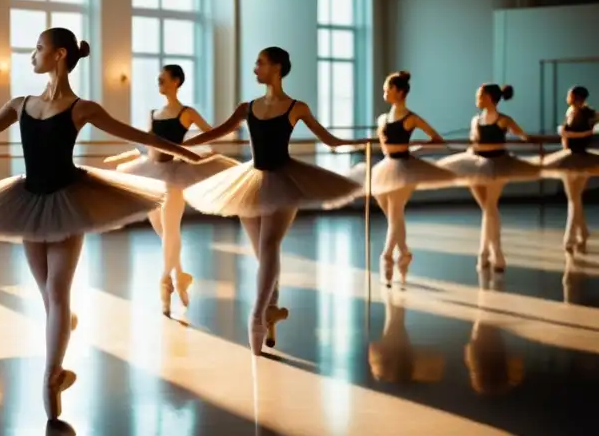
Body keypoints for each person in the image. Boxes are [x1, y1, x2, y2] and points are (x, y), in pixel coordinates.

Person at [0, 28, 203, 419]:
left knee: (56, 291)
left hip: (69, 200)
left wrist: (184, 153)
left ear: (58, 55)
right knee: (50, 296)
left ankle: (51, 375)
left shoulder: (82, 108)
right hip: (27, 202)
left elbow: (138, 134)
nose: (31, 55)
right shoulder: (20, 104)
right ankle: (63, 333)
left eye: (37, 48)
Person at [182, 47, 368, 356]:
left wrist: (362, 142)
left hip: (284, 181)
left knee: (269, 247)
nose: (255, 68)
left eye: (261, 63)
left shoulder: (296, 107)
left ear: (277, 68)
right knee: (262, 254)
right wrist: (182, 143)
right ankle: (272, 310)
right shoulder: (247, 107)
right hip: (250, 182)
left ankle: (256, 316)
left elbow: (330, 141)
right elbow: (217, 133)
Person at [114, 64, 236, 315]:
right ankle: (180, 276)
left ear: (176, 81)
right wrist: (134, 157)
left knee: (171, 231)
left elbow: (212, 134)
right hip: (150, 173)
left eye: (163, 79)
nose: (159, 81)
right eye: (158, 78)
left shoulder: (186, 112)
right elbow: (149, 145)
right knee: (163, 233)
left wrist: (200, 150)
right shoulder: (153, 113)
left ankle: (165, 282)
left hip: (175, 176)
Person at [348, 70, 456, 286]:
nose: (384, 93)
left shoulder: (411, 118)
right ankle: (405, 252)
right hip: (386, 167)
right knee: (392, 217)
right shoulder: (382, 119)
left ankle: (387, 256)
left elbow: (436, 138)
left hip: (405, 167)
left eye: (388, 89)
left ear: (399, 91)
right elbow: (383, 143)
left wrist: (416, 149)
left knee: (396, 212)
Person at [435, 84, 540, 272]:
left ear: (490, 97)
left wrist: (533, 139)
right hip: (475, 164)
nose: (477, 98)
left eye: (480, 95)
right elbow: (473, 142)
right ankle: (484, 252)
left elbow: (523, 135)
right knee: (487, 209)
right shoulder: (475, 120)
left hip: (498, 165)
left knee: (490, 207)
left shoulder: (503, 120)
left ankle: (496, 253)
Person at [537, 86, 599, 254]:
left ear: (577, 97)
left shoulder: (589, 113)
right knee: (574, 197)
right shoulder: (570, 111)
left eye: (570, 95)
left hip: (580, 157)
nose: (567, 97)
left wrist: (568, 133)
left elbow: (585, 133)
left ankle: (570, 236)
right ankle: (583, 232)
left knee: (574, 197)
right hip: (569, 156)